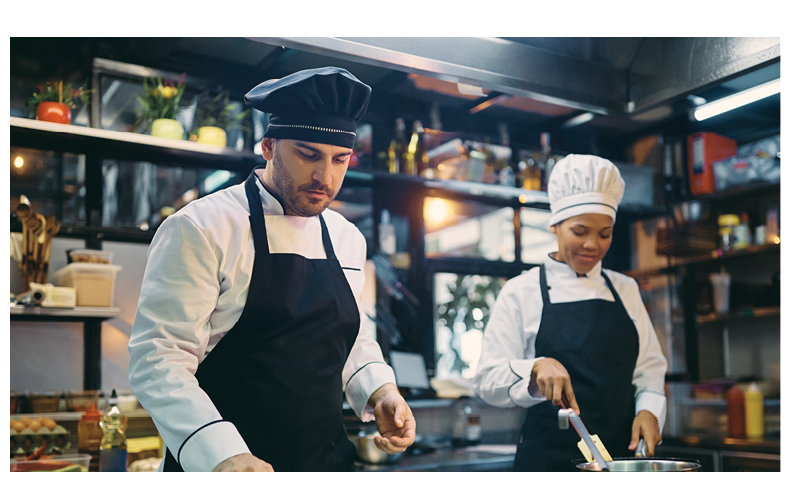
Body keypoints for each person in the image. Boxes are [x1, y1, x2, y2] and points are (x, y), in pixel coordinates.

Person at [128, 67, 415, 472]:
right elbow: (159, 360)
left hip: (327, 462)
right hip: (228, 466)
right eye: (308, 154)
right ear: (268, 146)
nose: (324, 177)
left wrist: (380, 391)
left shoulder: (347, 237)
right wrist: (222, 454)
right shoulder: (201, 227)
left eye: (339, 160)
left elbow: (347, 338)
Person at [473, 154, 667, 471]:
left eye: (605, 233)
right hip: (547, 464)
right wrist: (535, 368)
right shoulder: (522, 291)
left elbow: (649, 369)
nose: (593, 244)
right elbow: (486, 380)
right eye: (580, 231)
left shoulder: (625, 288)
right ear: (555, 225)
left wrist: (650, 410)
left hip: (619, 462)